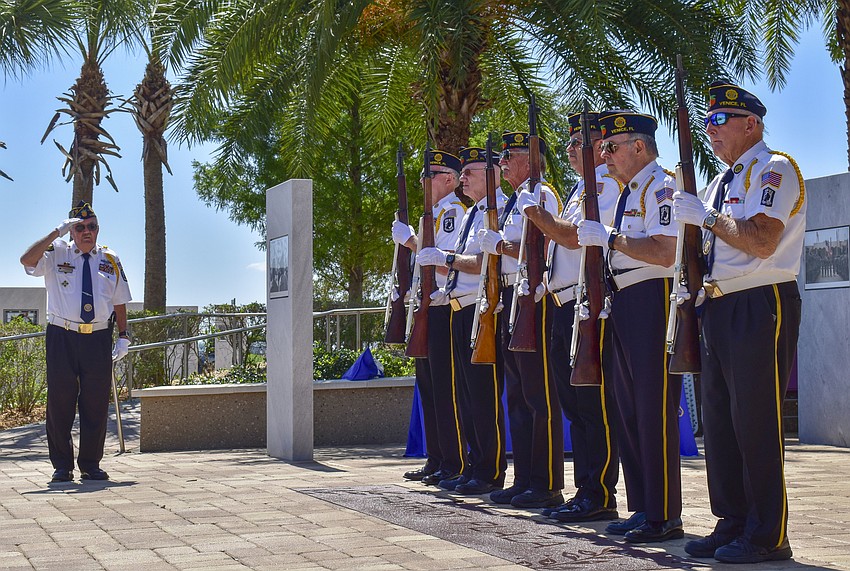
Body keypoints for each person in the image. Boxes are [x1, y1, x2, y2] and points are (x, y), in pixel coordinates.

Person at [673, 82, 804, 564]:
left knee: (757, 422)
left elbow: (762, 240)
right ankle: (731, 521)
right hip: (718, 305)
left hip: (759, 302)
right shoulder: (720, 181)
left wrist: (707, 219)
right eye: (707, 122)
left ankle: (768, 535)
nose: (711, 130)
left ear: (752, 124)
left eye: (720, 120)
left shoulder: (774, 169)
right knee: (723, 423)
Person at [577, 111, 683, 543]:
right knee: (628, 409)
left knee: (653, 407)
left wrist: (610, 238)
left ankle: (663, 513)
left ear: (639, 147)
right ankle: (644, 507)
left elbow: (664, 251)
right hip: (623, 298)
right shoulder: (629, 191)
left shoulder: (661, 186)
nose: (605, 155)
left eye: (611, 147)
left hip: (652, 296)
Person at [518, 112, 622, 523]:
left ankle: (599, 493)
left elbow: (574, 236)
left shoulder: (609, 187)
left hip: (587, 303)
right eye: (570, 144)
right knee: (574, 405)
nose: (572, 150)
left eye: (580, 142)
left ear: (601, 145)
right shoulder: (583, 189)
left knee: (593, 403)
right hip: (563, 304)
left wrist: (537, 215)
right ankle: (584, 490)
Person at [478, 131, 565, 509]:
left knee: (537, 393)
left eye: (509, 156)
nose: (502, 163)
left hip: (533, 293)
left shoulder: (541, 195)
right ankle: (525, 478)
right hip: (510, 295)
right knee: (516, 394)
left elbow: (544, 245)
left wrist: (500, 246)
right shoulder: (513, 201)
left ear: (531, 160)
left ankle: (546, 482)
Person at [416, 146, 507, 494]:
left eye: (470, 171)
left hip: (476, 306)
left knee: (482, 393)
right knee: (469, 396)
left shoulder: (486, 211)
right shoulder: (473, 214)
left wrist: (442, 257)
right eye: (463, 171)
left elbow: (478, 261)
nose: (464, 178)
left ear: (493, 173)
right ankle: (474, 466)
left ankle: (488, 470)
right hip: (457, 304)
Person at [20, 201, 132, 483]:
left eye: (91, 227)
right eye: (79, 227)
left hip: (97, 337)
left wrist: (123, 336)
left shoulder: (110, 258)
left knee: (95, 402)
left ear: (98, 229)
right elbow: (26, 260)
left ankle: (90, 464)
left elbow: (119, 301)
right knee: (60, 401)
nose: (86, 232)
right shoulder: (55, 253)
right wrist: (55, 233)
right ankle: (61, 465)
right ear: (71, 230)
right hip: (62, 335)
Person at [393, 149, 467, 486]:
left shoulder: (453, 212)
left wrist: (408, 240)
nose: (425, 180)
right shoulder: (432, 214)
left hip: (442, 309)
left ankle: (453, 462)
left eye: (432, 174)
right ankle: (437, 459)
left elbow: (439, 259)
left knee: (445, 389)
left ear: (449, 180)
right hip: (424, 308)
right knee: (429, 388)